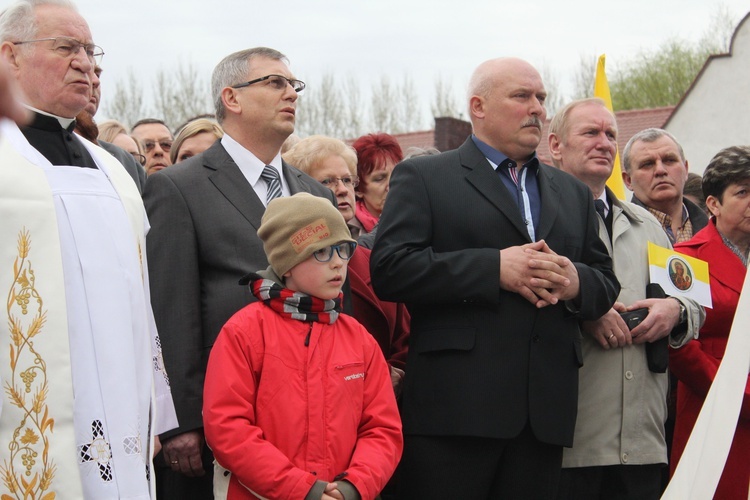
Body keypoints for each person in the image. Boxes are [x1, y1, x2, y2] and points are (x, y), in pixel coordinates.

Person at [370, 57, 619, 499]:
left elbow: (605, 281)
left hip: (543, 417)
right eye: (522, 96)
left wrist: (573, 281)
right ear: (478, 107)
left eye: (541, 97)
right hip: (455, 414)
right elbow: (390, 269)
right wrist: (492, 269)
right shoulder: (426, 176)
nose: (538, 108)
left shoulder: (572, 192)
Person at [0, 0, 177, 498]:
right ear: (9, 56)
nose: (86, 62)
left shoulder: (115, 170)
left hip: (122, 405)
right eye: (66, 47)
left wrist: (155, 408)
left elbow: (140, 299)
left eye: (90, 49)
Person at [143, 47, 336, 500]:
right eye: (275, 82)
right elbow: (171, 309)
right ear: (232, 97)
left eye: (295, 85)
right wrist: (183, 422)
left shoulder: (315, 193)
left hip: (311, 415)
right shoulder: (178, 186)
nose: (291, 93)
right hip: (224, 417)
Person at [547, 98, 702, 500]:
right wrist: (586, 308)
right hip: (569, 442)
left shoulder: (648, 224)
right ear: (556, 146)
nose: (604, 143)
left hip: (643, 440)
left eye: (611, 135)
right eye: (590, 133)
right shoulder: (533, 217)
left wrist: (674, 311)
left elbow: (693, 303)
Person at [203, 193, 403, 500]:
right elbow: (228, 428)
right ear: (287, 263)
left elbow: (383, 430)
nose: (338, 262)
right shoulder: (244, 332)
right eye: (322, 251)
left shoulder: (359, 339)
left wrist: (354, 487)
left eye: (344, 249)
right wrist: (302, 490)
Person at [283, 135, 409, 394]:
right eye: (327, 181)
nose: (341, 189)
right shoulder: (290, 269)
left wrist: (393, 374)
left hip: (385, 407)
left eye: (347, 180)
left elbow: (406, 337)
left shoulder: (375, 260)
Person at [670, 145, 750, 499]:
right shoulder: (685, 258)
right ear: (714, 204)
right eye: (743, 192)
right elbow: (680, 345)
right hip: (713, 410)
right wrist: (738, 393)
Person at [622, 128, 708, 244]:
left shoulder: (718, 233)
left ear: (686, 169)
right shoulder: (616, 234)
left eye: (669, 160)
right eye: (647, 164)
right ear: (628, 180)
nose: (660, 170)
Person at [75, 65, 146, 192]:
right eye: (81, 71)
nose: (95, 81)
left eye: (97, 74)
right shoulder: (31, 149)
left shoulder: (127, 162)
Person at [350, 133, 402, 242]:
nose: (391, 185)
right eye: (379, 178)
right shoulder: (345, 233)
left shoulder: (420, 219)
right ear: (358, 189)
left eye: (398, 174)